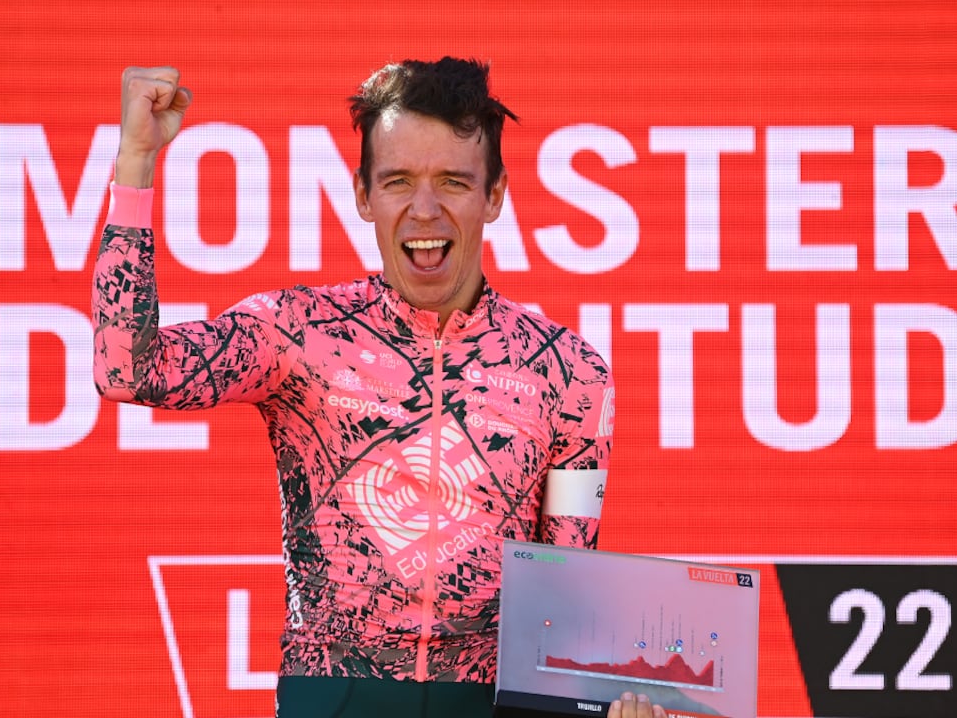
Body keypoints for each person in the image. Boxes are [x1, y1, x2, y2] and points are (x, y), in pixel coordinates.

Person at [93, 59, 664, 718]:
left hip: (490, 703)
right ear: (363, 194)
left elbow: (568, 597)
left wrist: (609, 705)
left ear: (496, 194)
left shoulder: (568, 372)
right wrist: (135, 162)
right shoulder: (300, 334)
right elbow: (127, 370)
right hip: (333, 693)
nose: (425, 209)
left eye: (454, 180)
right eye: (398, 181)